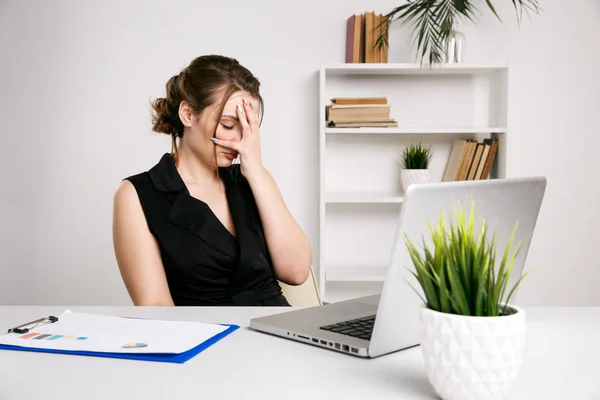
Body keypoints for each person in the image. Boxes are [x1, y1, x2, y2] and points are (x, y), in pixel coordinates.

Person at [112, 55, 312, 306]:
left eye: (248, 127)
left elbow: (296, 271)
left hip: (277, 330)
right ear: (187, 114)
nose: (240, 139)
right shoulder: (137, 194)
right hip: (204, 337)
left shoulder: (252, 179)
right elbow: (157, 310)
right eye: (229, 124)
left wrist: (257, 171)